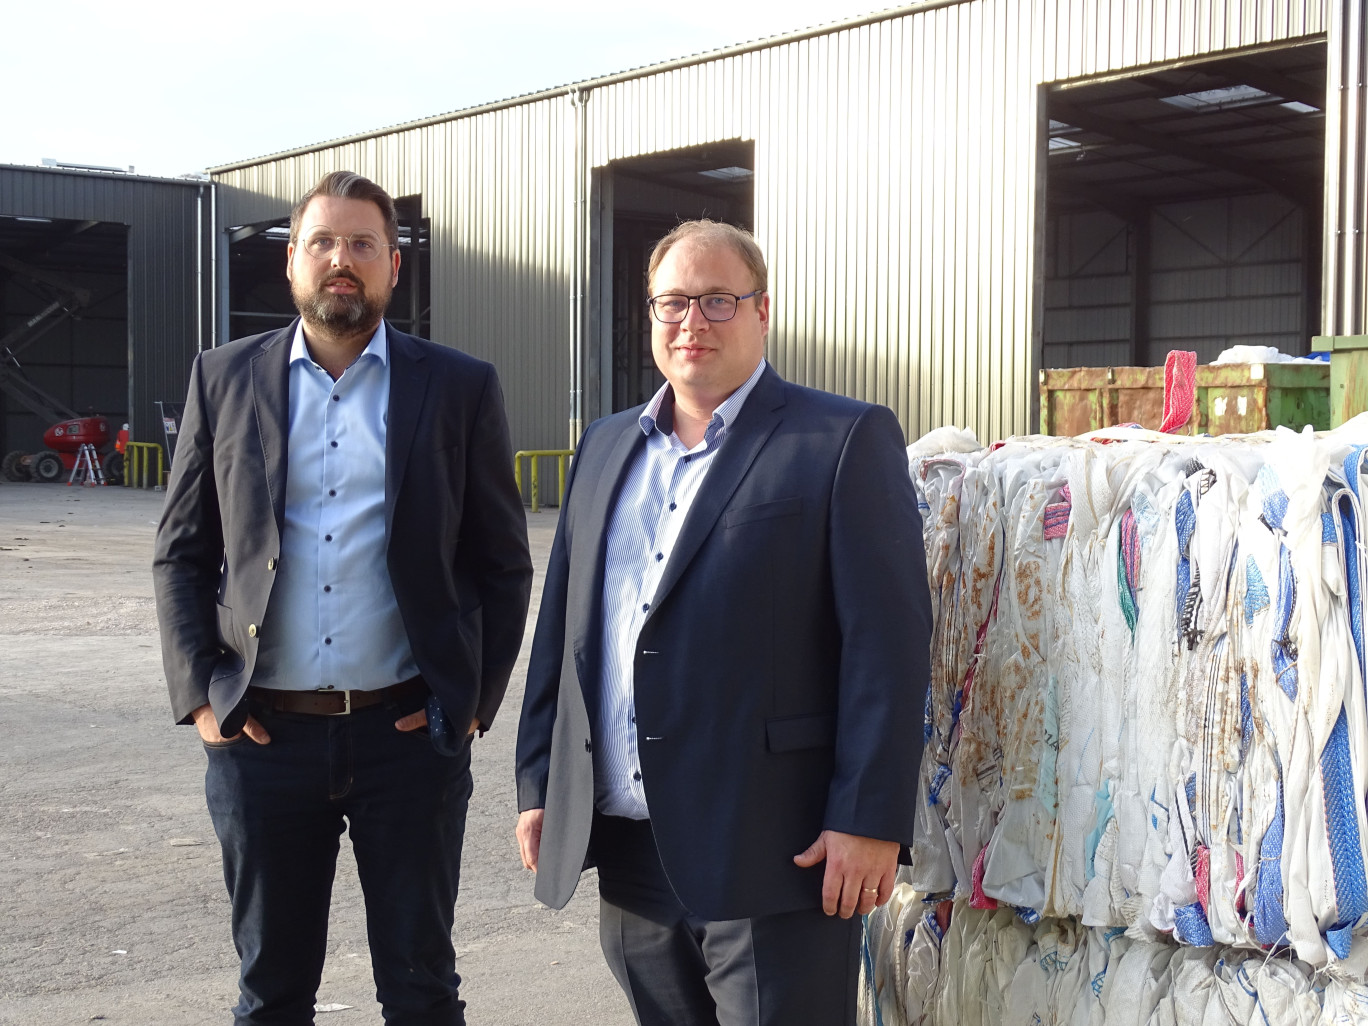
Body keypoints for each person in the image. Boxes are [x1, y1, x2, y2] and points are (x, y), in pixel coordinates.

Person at [514, 219, 931, 1026]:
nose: (691, 322)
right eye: (672, 303)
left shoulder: (838, 439)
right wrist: (541, 778)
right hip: (631, 846)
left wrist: (869, 817)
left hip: (774, 847)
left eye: (717, 300)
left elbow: (887, 645)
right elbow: (565, 628)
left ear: (761, 310)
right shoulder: (603, 448)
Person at [154, 170, 532, 1026]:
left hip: (407, 739)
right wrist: (202, 697)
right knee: (271, 990)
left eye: (363, 244)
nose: (342, 261)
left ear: (393, 266)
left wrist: (469, 700)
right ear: (292, 262)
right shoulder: (225, 379)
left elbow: (502, 561)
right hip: (263, 739)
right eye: (323, 243)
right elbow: (182, 552)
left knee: (421, 987)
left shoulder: (458, 387)